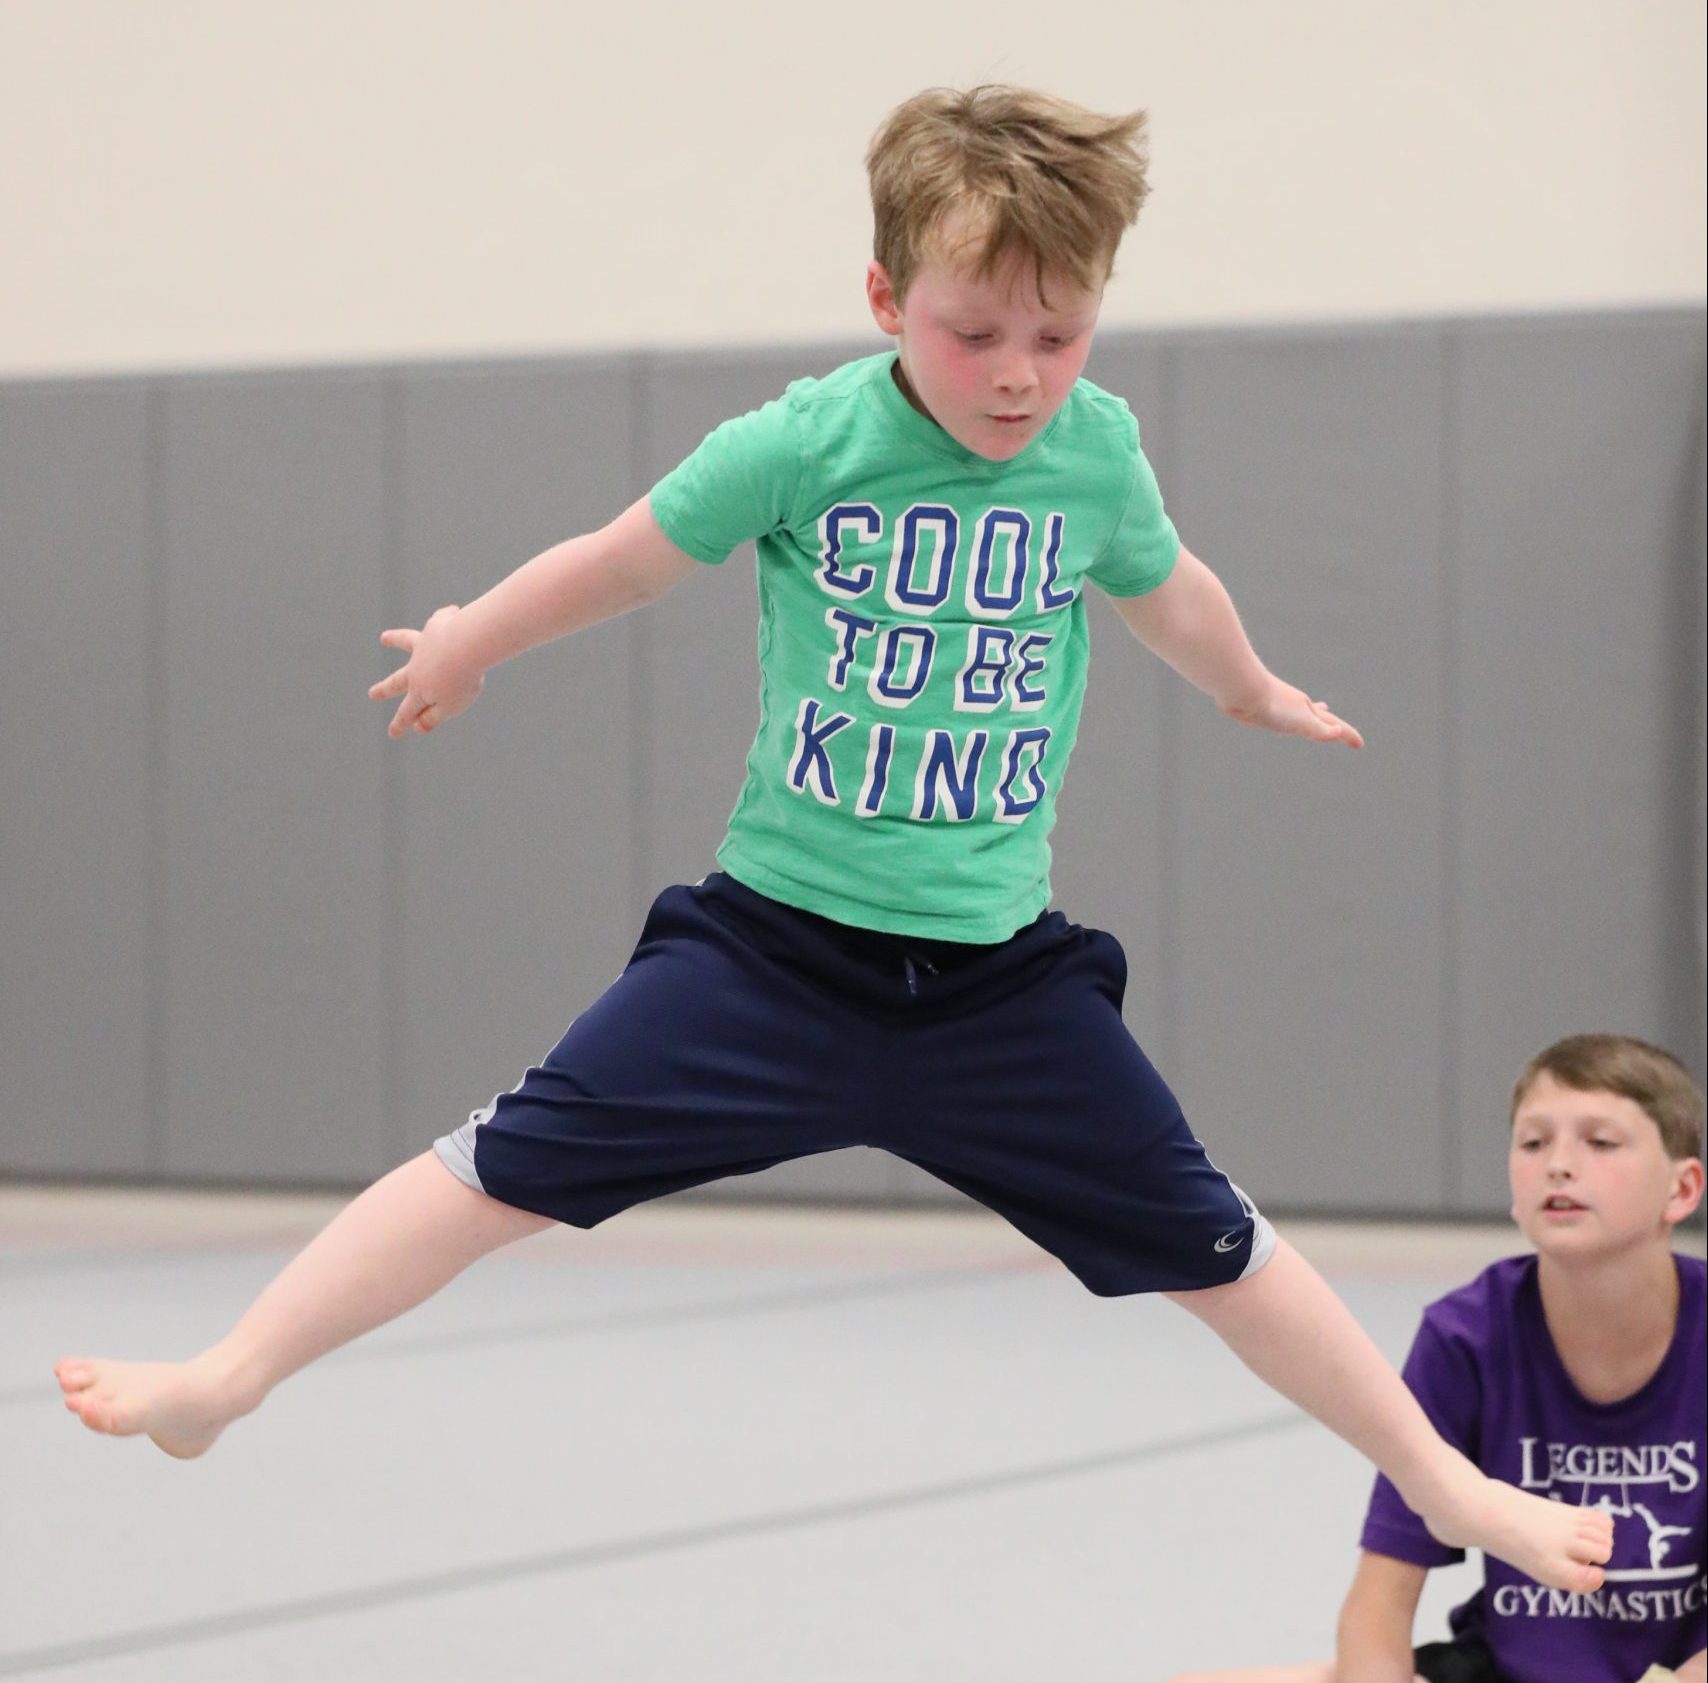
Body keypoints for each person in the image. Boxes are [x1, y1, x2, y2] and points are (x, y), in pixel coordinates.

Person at [55, 84, 1612, 1598]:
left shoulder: (1095, 453)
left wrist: (1250, 683)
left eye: (1059, 335)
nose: (1019, 375)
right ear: (884, 296)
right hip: (773, 956)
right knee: (495, 1168)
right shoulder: (805, 443)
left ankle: (1449, 1480)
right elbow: (620, 561)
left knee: (1225, 1246)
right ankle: (229, 1373)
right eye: (975, 333)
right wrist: (471, 637)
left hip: (998, 988)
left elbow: (1168, 586)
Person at [1166, 1032, 1706, 1683]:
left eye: (1601, 1142)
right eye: (1534, 1142)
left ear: (1682, 1188)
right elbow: (1380, 1602)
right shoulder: (1466, 1336)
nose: (1559, 1164)